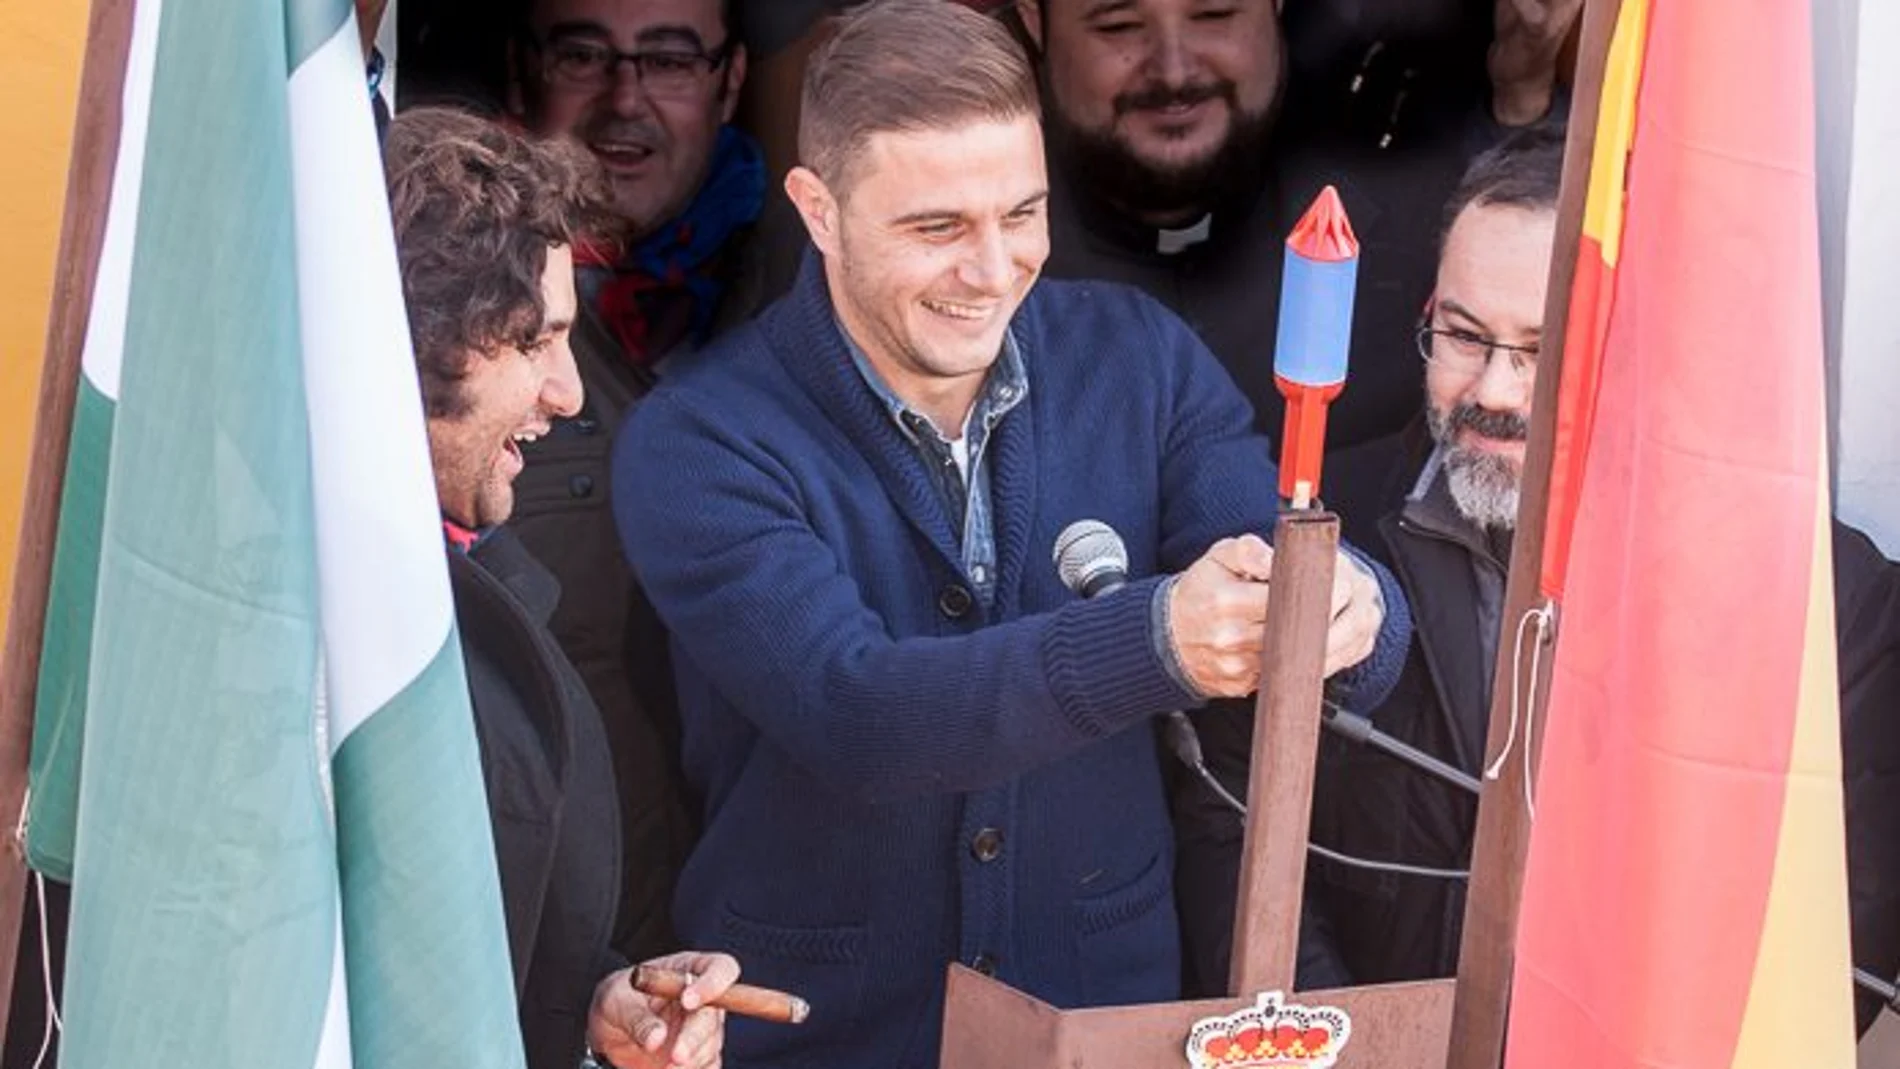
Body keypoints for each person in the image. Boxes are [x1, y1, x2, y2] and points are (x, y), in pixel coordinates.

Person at [612, 4, 1411, 1067]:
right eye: (935, 227)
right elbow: (855, 712)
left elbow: (1283, 557)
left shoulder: (1137, 354)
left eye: (1022, 213)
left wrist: (1347, 606)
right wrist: (1159, 641)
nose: (992, 270)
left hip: (1102, 1029)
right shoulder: (698, 436)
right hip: (824, 1039)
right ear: (817, 208)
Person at [383, 106, 740, 1069]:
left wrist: (586, 1015)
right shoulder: (288, 630)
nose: (570, 394)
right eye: (535, 342)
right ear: (419, 339)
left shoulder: (471, 571)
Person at [1013, 0, 1578, 532]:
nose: (1174, 71)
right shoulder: (982, 266)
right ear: (1033, 21)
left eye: (1215, 14)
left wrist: (1521, 104)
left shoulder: (1408, 192)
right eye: (1119, 27)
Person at [502, 0, 767, 964]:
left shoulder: (826, 282)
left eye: (667, 60)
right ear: (523, 62)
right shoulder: (444, 318)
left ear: (731, 78)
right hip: (549, 954)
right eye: (584, 53)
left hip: (778, 959)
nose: (624, 101)